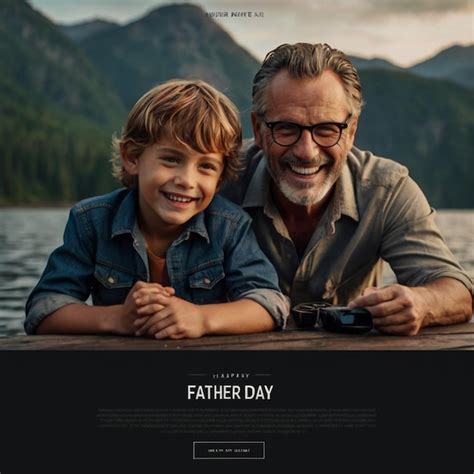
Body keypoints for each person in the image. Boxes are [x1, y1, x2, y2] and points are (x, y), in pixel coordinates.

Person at [221, 42, 472, 336]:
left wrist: (420, 302)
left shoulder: (387, 190)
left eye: (326, 129)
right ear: (260, 130)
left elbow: (457, 291)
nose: (307, 151)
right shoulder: (218, 179)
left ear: (351, 132)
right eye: (287, 128)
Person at [25, 79, 289, 338]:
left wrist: (202, 319)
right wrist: (117, 318)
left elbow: (268, 304)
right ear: (132, 158)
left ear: (219, 179)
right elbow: (44, 310)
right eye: (171, 159)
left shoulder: (229, 226)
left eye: (206, 166)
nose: (186, 180)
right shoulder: (91, 221)